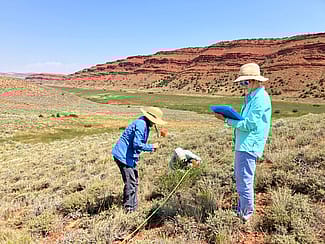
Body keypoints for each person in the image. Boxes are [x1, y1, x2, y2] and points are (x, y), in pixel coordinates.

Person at [215, 63, 272, 222]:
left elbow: (249, 125)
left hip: (249, 145)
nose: (242, 86)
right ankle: (242, 208)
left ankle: (245, 215)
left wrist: (226, 119)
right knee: (241, 178)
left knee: (244, 180)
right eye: (241, 83)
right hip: (244, 144)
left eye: (245, 82)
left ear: (255, 81)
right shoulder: (251, 97)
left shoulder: (260, 99)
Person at [112, 106, 167, 212]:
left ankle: (133, 207)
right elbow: (137, 144)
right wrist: (151, 147)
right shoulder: (141, 124)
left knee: (134, 181)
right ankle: (128, 209)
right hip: (123, 156)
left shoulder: (144, 123)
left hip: (129, 157)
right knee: (131, 182)